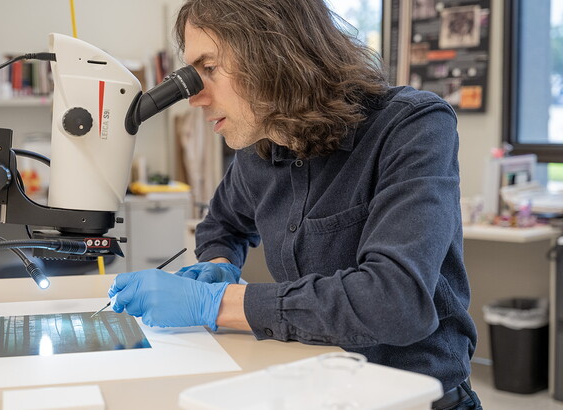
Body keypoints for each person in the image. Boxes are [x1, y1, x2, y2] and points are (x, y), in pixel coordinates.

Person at [108, 0, 481, 408]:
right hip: (311, 390)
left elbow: (394, 301)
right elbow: (221, 224)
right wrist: (218, 265)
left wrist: (219, 305)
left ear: (273, 52)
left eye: (209, 68)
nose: (195, 99)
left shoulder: (412, 126)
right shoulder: (261, 146)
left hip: (415, 400)